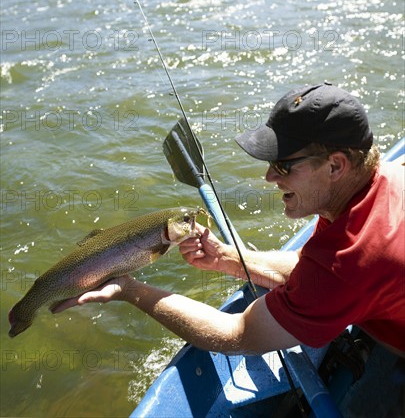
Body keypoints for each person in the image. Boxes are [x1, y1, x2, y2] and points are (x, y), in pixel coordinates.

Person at [53, 83, 405, 358]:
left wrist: (129, 290)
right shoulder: (385, 178)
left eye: (283, 165)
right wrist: (227, 259)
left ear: (335, 166)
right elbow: (307, 267)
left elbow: (237, 334)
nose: (269, 176)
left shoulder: (348, 262)